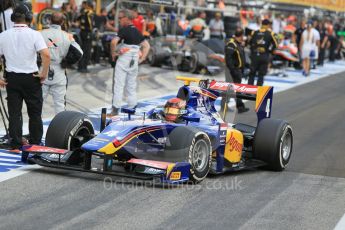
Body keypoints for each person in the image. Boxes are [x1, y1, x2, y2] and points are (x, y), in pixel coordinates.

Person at [0, 2, 50, 149]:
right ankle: (34, 143)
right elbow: (46, 55)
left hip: (12, 79)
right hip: (31, 78)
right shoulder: (35, 34)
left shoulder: (3, 35)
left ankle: (15, 144)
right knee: (34, 113)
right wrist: (43, 74)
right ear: (29, 17)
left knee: (14, 113)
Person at [109, 9, 150, 116]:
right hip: (134, 60)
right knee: (131, 85)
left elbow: (113, 42)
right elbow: (146, 46)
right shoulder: (137, 31)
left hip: (124, 60)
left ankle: (115, 110)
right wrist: (142, 58)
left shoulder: (124, 30)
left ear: (127, 18)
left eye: (120, 18)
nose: (119, 20)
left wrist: (113, 54)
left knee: (118, 84)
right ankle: (132, 107)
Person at [41, 12, 83, 115]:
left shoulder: (40, 33)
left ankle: (36, 130)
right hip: (59, 71)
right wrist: (67, 62)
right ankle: (60, 129)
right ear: (63, 22)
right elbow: (79, 53)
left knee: (38, 104)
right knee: (60, 105)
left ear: (50, 20)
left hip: (42, 71)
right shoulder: (67, 36)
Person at [223, 28, 249, 114]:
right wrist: (233, 70)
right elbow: (228, 59)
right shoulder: (231, 44)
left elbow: (240, 57)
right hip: (232, 70)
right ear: (241, 35)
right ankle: (237, 107)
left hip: (238, 69)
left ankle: (238, 106)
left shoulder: (238, 43)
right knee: (231, 89)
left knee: (234, 89)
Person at [248, 19, 278, 86]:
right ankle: (258, 91)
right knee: (261, 74)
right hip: (264, 55)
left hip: (255, 55)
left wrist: (254, 49)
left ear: (262, 24)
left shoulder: (254, 32)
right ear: (268, 25)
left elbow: (249, 42)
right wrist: (270, 51)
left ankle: (249, 91)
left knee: (252, 74)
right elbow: (275, 44)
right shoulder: (271, 33)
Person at [77, 0, 94, 73]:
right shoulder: (89, 13)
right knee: (87, 50)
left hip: (82, 32)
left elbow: (78, 20)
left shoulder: (82, 12)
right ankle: (84, 67)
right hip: (87, 33)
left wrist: (81, 26)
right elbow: (91, 25)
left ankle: (80, 66)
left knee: (82, 49)